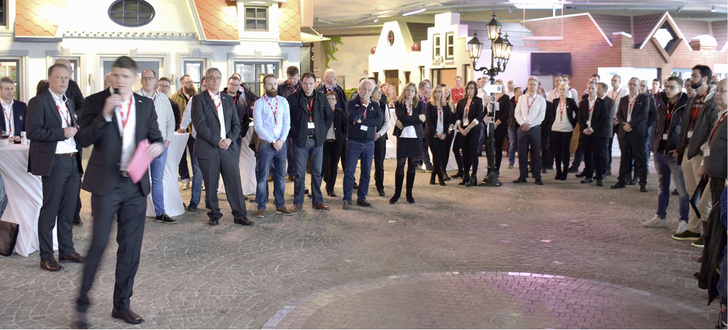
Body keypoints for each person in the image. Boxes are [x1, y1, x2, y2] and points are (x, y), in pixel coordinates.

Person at [74, 56, 165, 327]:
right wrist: (104, 115)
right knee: (98, 245)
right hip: (106, 184)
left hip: (135, 184)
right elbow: (82, 139)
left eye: (126, 77)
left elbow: (156, 136)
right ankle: (81, 307)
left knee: (130, 249)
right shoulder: (94, 101)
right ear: (111, 76)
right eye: (116, 76)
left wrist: (157, 147)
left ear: (135, 79)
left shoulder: (145, 104)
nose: (120, 81)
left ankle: (121, 305)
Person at [26, 63, 84, 272]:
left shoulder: (68, 103)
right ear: (50, 79)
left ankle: (67, 250)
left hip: (72, 159)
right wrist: (62, 133)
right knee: (50, 209)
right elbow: (33, 132)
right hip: (54, 161)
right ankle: (46, 255)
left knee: (68, 209)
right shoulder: (38, 102)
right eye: (58, 77)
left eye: (66, 78)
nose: (62, 81)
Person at [191, 68, 252, 226]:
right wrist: (218, 140)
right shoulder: (198, 99)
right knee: (211, 185)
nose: (215, 80)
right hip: (208, 148)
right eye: (212, 78)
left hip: (228, 148)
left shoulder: (226, 99)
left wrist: (230, 140)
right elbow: (201, 126)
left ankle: (240, 215)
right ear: (206, 80)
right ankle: (214, 215)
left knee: (234, 183)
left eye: (218, 77)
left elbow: (236, 123)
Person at [673, 65, 719, 242]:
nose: (691, 79)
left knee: (702, 196)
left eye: (694, 76)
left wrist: (703, 156)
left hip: (700, 153)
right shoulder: (693, 99)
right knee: (692, 192)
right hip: (687, 151)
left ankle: (706, 234)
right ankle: (694, 228)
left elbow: (712, 131)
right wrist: (681, 149)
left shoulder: (713, 101)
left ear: (705, 79)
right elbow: (685, 126)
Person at [642, 76, 690, 228]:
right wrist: (653, 145)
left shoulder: (686, 104)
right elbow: (656, 125)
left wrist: (681, 149)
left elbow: (687, 130)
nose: (668, 90)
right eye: (667, 86)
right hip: (659, 150)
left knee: (682, 190)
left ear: (680, 89)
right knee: (662, 187)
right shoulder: (660, 101)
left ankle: (684, 221)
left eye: (672, 87)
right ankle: (660, 216)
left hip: (674, 152)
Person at [286, 72, 333, 211]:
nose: (308, 86)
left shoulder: (321, 97)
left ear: (315, 84)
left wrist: (322, 131)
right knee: (299, 174)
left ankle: (317, 201)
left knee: (317, 172)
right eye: (305, 83)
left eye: (311, 83)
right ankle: (298, 203)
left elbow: (329, 115)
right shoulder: (293, 99)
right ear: (301, 83)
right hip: (300, 141)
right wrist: (294, 133)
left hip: (317, 141)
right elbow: (287, 119)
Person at [137, 69, 177, 224]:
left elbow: (170, 121)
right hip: (141, 146)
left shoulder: (163, 99)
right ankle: (137, 212)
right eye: (144, 78)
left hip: (160, 146)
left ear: (155, 80)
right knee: (138, 179)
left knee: (157, 179)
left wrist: (167, 140)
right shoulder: (134, 97)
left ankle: (160, 212)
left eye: (150, 78)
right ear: (141, 80)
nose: (147, 80)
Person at [254, 74, 292, 218]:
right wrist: (272, 141)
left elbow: (287, 124)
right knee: (262, 177)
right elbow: (258, 127)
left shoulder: (283, 102)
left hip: (281, 145)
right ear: (264, 86)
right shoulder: (259, 103)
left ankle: (280, 204)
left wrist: (281, 140)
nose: (273, 87)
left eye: (275, 84)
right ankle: (261, 206)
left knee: (281, 176)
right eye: (269, 84)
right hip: (265, 145)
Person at [342, 79, 381, 209]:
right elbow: (352, 118)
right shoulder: (351, 103)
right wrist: (364, 106)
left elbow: (378, 121)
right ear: (359, 89)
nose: (366, 92)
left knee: (366, 172)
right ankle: (347, 198)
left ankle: (362, 198)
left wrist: (362, 121)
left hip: (369, 143)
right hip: (354, 142)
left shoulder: (375, 105)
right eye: (364, 89)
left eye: (369, 90)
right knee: (349, 172)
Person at [611, 77, 650, 192]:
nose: (632, 86)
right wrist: (624, 124)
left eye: (635, 84)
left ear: (639, 86)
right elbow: (619, 114)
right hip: (624, 132)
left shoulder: (644, 99)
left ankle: (643, 183)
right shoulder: (623, 99)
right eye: (630, 84)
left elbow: (643, 115)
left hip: (637, 132)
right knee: (624, 158)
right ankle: (622, 180)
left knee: (640, 158)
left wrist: (630, 124)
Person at [389, 82, 425, 204]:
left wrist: (404, 121)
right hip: (403, 136)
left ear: (415, 93)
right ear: (404, 91)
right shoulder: (398, 103)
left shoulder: (420, 104)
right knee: (400, 164)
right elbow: (402, 117)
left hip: (416, 137)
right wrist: (415, 119)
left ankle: (409, 194)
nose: (410, 93)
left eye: (412, 91)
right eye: (408, 90)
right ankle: (397, 194)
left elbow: (420, 119)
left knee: (412, 164)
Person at [178, 77, 206, 211]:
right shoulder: (195, 99)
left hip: (214, 142)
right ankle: (194, 201)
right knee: (197, 172)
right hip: (198, 140)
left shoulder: (219, 100)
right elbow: (187, 114)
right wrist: (183, 126)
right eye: (204, 85)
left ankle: (210, 201)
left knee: (212, 173)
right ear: (201, 85)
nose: (206, 87)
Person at [577, 81, 610, 186]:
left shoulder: (602, 102)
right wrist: (584, 129)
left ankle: (599, 177)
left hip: (596, 134)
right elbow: (580, 118)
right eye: (589, 88)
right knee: (587, 155)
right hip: (585, 133)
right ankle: (589, 176)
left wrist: (592, 128)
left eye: (593, 89)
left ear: (597, 90)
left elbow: (604, 118)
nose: (590, 91)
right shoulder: (583, 103)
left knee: (598, 156)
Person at [513, 78, 546, 185]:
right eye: (531, 84)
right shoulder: (522, 98)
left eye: (534, 85)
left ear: (537, 87)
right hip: (522, 129)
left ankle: (537, 177)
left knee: (536, 154)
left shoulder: (541, 100)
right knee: (522, 154)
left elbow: (541, 116)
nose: (532, 86)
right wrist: (523, 124)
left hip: (535, 129)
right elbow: (517, 113)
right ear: (527, 85)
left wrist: (530, 125)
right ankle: (522, 176)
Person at [455, 80, 484, 187]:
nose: (470, 90)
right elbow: (458, 115)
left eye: (472, 88)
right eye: (468, 88)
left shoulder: (478, 101)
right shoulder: (462, 101)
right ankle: (465, 175)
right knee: (464, 152)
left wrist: (469, 128)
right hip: (462, 130)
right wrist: (460, 128)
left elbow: (479, 116)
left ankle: (474, 176)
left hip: (473, 129)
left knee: (473, 152)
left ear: (475, 90)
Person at [425, 84, 454, 186]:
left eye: (439, 91)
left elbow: (448, 121)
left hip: (443, 134)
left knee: (440, 156)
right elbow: (428, 120)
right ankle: (440, 178)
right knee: (436, 155)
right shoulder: (430, 104)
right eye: (435, 92)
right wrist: (436, 133)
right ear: (433, 93)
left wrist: (445, 133)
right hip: (432, 134)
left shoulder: (446, 105)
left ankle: (433, 177)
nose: (437, 94)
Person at [549, 82, 578, 180]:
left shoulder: (571, 101)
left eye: (564, 89)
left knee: (565, 151)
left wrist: (572, 123)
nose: (561, 91)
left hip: (567, 129)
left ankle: (565, 171)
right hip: (555, 128)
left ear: (567, 91)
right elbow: (552, 114)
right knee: (557, 151)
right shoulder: (555, 101)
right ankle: (558, 171)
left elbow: (578, 114)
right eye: (560, 89)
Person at [171, 74, 196, 189]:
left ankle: (197, 179)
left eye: (191, 81)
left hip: (193, 132)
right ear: (182, 84)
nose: (191, 84)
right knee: (182, 156)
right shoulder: (175, 97)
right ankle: (185, 179)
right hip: (180, 132)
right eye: (188, 82)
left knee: (194, 155)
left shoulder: (197, 96)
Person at [278, 66, 301, 182]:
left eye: (293, 78)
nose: (291, 81)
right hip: (282, 121)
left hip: (297, 121)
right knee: (282, 146)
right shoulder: (281, 87)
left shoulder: (302, 87)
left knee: (294, 149)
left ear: (298, 76)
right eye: (289, 78)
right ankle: (276, 172)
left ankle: (292, 172)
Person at [322, 91, 347, 197]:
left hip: (337, 142)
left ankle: (330, 188)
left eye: (333, 99)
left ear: (336, 101)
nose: (330, 101)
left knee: (334, 166)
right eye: (328, 99)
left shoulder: (340, 112)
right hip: (325, 143)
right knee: (325, 166)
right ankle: (327, 180)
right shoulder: (321, 112)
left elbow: (345, 126)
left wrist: (343, 137)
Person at [606, 75, 628, 175]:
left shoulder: (624, 92)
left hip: (620, 122)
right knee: (608, 145)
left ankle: (625, 169)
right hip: (610, 121)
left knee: (622, 145)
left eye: (615, 80)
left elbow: (624, 108)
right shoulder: (609, 93)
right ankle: (607, 167)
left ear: (619, 82)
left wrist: (618, 119)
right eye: (612, 80)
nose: (613, 82)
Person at [373, 85, 391, 196]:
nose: (380, 94)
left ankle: (380, 186)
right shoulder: (367, 105)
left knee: (379, 164)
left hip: (380, 138)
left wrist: (379, 133)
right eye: (377, 92)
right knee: (365, 163)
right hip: (367, 139)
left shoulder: (383, 106)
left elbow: (387, 122)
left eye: (380, 92)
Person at [491, 79, 512, 174]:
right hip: (490, 125)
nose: (497, 87)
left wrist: (496, 123)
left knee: (498, 147)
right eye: (495, 85)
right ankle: (490, 166)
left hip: (500, 125)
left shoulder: (505, 98)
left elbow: (506, 113)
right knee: (489, 146)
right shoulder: (491, 97)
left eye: (499, 85)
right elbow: (486, 111)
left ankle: (497, 167)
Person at [440, 84, 456, 181]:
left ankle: (444, 170)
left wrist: (451, 127)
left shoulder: (451, 103)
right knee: (440, 151)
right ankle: (438, 171)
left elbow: (454, 118)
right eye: (445, 90)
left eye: (448, 91)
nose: (447, 92)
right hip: (440, 131)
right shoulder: (437, 103)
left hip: (450, 131)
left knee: (446, 151)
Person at [417, 80, 433, 171]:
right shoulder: (418, 98)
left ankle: (426, 163)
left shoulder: (425, 99)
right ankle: (421, 163)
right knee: (422, 145)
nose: (429, 89)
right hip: (419, 125)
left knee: (424, 145)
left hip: (425, 125)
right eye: (428, 87)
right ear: (423, 88)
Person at [507, 86, 522, 169]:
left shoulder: (523, 102)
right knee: (512, 144)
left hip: (520, 126)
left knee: (521, 144)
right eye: (519, 92)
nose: (521, 94)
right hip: (512, 126)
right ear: (515, 93)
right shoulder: (510, 102)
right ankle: (511, 162)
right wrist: (509, 123)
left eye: (521, 92)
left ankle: (521, 162)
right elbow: (508, 114)